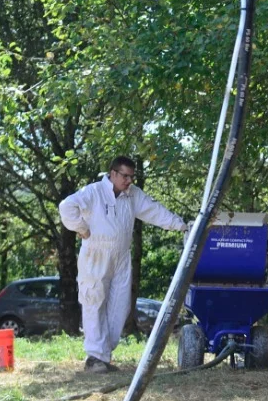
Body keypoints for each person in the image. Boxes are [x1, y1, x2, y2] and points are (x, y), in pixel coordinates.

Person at [58, 156, 188, 372]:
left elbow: (154, 211)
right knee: (94, 301)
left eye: (131, 176)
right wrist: (81, 228)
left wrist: (181, 226)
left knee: (120, 305)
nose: (129, 180)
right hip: (95, 253)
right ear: (113, 173)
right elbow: (66, 206)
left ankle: (104, 356)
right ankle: (94, 357)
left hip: (121, 256)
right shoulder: (93, 192)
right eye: (125, 176)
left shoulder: (133, 194)